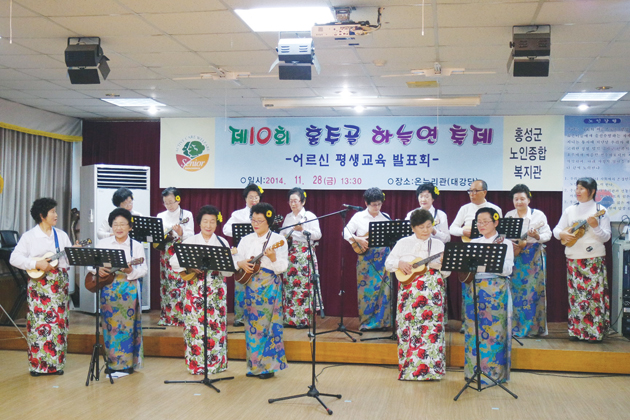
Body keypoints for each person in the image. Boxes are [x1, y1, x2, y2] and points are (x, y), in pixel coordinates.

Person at [10, 198, 73, 376]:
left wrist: (73, 253)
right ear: (42, 215)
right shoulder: (29, 236)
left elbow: (69, 260)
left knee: (58, 324)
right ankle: (37, 366)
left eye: (55, 211)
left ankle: (56, 365)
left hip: (59, 285)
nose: (56, 215)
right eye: (52, 212)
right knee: (39, 325)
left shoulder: (61, 235)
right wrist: (36, 263)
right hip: (39, 287)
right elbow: (14, 258)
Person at [385, 209, 448, 381]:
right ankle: (409, 370)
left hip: (432, 294)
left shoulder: (439, 245)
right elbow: (388, 263)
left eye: (429, 226)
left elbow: (447, 273)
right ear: (413, 227)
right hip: (409, 294)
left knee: (432, 329)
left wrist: (443, 265)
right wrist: (399, 263)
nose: (426, 230)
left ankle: (433, 370)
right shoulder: (403, 242)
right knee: (409, 328)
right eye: (421, 227)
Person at [170, 205, 231, 375]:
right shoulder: (191, 241)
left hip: (216, 292)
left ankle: (216, 365)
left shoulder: (222, 242)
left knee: (215, 327)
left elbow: (229, 271)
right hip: (195, 291)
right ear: (199, 223)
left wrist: (223, 264)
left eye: (212, 222)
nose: (208, 225)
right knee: (194, 327)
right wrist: (189, 265)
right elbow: (173, 261)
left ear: (217, 224)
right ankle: (196, 365)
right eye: (205, 221)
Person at [233, 202, 288, 379]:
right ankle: (254, 366)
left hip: (269, 286)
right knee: (251, 327)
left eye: (260, 221)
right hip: (250, 286)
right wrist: (241, 263)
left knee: (269, 326)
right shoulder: (246, 239)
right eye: (253, 220)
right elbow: (236, 261)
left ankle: (268, 368)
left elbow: (282, 268)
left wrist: (273, 258)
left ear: (268, 221)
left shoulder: (278, 240)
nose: (255, 224)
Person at [553, 177, 611, 342]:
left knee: (593, 297)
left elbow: (606, 237)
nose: (577, 191)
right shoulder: (570, 210)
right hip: (573, 258)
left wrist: (595, 226)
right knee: (576, 297)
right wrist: (562, 234)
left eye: (582, 188)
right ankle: (577, 331)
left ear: (592, 191)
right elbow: (556, 230)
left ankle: (594, 332)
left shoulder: (601, 210)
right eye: (577, 188)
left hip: (593, 258)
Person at [462, 207, 514, 384]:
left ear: (496, 222)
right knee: (473, 330)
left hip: (495, 290)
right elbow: (466, 269)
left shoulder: (505, 243)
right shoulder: (473, 242)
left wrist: (485, 263)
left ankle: (493, 374)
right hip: (474, 289)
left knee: (494, 331)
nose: (481, 225)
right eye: (479, 222)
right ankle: (473, 371)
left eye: (485, 221)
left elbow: (507, 269)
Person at [93, 208, 147, 374]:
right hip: (108, 290)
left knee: (127, 328)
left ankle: (127, 364)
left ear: (130, 227)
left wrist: (130, 271)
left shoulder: (136, 246)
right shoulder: (103, 244)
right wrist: (98, 270)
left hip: (128, 291)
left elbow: (143, 269)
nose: (119, 228)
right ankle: (111, 364)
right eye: (115, 224)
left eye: (123, 224)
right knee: (109, 326)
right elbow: (91, 265)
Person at [449, 179, 502, 333]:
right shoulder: (465, 208)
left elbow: (500, 231)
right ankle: (468, 323)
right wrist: (463, 231)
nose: (471, 194)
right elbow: (452, 228)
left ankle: (488, 322)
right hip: (469, 251)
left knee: (487, 285)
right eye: (470, 191)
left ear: (484, 192)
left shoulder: (495, 209)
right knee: (468, 285)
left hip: (489, 251)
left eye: (475, 191)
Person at [505, 184, 552, 337]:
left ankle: (533, 329)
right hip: (515, 257)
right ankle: (515, 327)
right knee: (515, 292)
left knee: (533, 293)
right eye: (516, 199)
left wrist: (537, 236)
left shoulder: (538, 215)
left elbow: (548, 235)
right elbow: (504, 236)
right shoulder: (509, 215)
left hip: (533, 257)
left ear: (529, 200)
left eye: (522, 199)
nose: (519, 202)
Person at [343, 187, 391, 331]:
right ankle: (366, 323)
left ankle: (383, 323)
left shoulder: (386, 217)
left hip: (384, 258)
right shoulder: (358, 216)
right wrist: (357, 239)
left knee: (384, 290)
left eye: (379, 204)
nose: (377, 207)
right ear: (366, 203)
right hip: (366, 258)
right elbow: (345, 232)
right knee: (366, 291)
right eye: (374, 205)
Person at [281, 188, 322, 328]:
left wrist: (303, 230)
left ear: (303, 202)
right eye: (290, 201)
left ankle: (304, 320)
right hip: (290, 253)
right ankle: (290, 319)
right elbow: (282, 234)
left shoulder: (309, 216)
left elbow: (318, 235)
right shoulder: (288, 217)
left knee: (304, 286)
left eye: (296, 201)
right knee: (290, 285)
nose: (293, 204)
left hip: (305, 254)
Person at [223, 183, 263, 327]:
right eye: (250, 197)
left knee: (258, 284)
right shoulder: (238, 214)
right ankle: (239, 318)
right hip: (242, 253)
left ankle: (257, 317)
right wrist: (241, 230)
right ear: (245, 199)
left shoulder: (264, 213)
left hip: (259, 253)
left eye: (256, 197)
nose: (253, 200)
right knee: (241, 284)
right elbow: (225, 229)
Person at [157, 187, 194, 326]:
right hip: (166, 253)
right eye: (166, 203)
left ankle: (181, 317)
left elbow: (191, 235)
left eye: (171, 202)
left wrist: (181, 232)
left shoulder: (186, 215)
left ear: (178, 200)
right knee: (166, 284)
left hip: (181, 252)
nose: (169, 205)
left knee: (180, 284)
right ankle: (167, 316)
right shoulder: (161, 215)